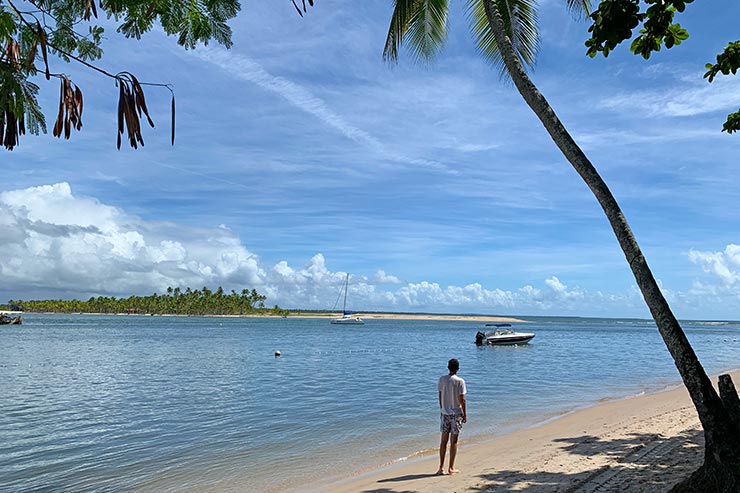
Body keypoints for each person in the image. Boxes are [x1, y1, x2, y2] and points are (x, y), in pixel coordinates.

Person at [437, 358, 467, 475]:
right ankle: (451, 467)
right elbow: (462, 400)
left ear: (448, 367)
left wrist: (442, 408)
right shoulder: (460, 381)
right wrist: (465, 414)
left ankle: (441, 467)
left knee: (443, 441)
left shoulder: (442, 379)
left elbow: (440, 395)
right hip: (456, 414)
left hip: (445, 413)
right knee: (453, 441)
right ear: (458, 369)